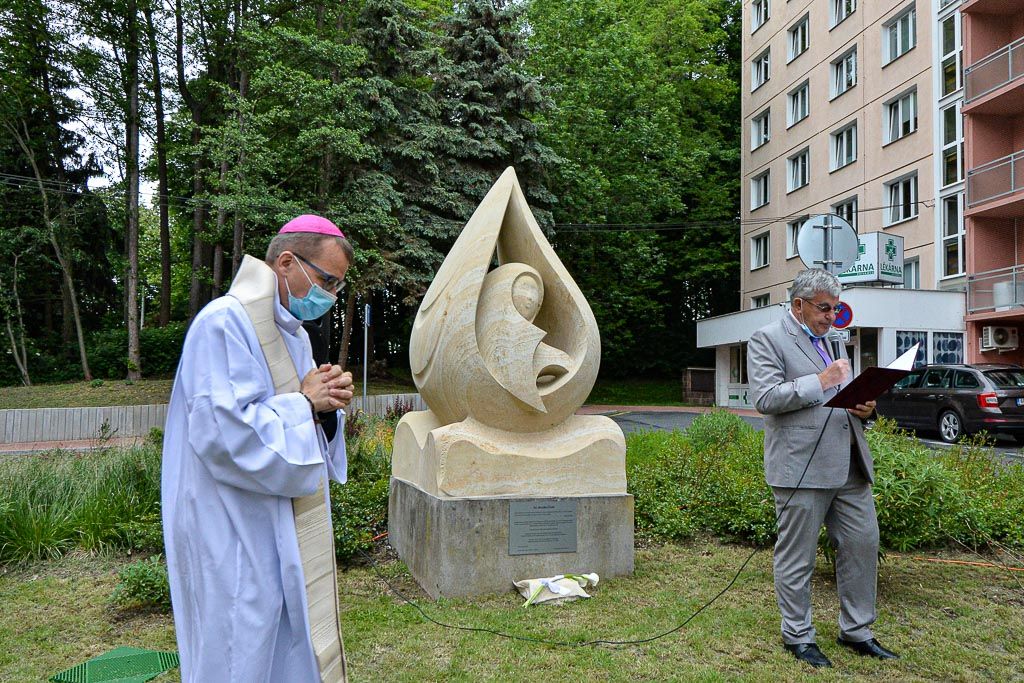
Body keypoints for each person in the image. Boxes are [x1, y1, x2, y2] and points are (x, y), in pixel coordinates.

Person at [162, 214, 356, 682]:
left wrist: (326, 410)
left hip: (280, 526)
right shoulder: (223, 323)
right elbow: (223, 435)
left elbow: (303, 414)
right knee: (238, 646)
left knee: (288, 645)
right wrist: (305, 403)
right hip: (232, 527)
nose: (329, 296)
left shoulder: (292, 335)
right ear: (287, 261)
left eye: (336, 287)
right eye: (326, 280)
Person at [747, 268, 899, 669]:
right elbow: (764, 397)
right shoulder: (767, 338)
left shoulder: (835, 340)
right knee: (797, 558)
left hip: (849, 464)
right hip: (801, 468)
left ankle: (858, 632)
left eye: (836, 308)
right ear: (798, 305)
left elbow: (844, 395)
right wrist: (820, 380)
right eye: (824, 308)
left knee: (862, 546)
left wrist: (865, 407)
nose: (831, 316)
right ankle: (798, 635)